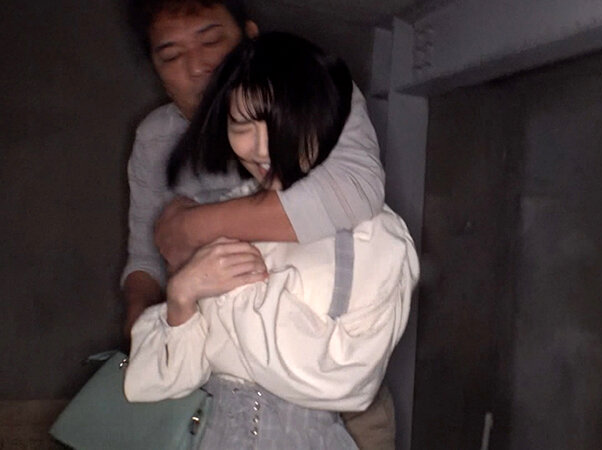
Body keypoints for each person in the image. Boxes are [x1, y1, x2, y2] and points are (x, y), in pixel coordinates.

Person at [124, 32, 418, 449]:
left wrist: (232, 290)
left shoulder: (375, 236)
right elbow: (159, 380)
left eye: (282, 126)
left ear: (325, 120)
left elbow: (343, 381)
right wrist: (181, 296)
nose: (262, 148)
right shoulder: (228, 211)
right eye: (242, 126)